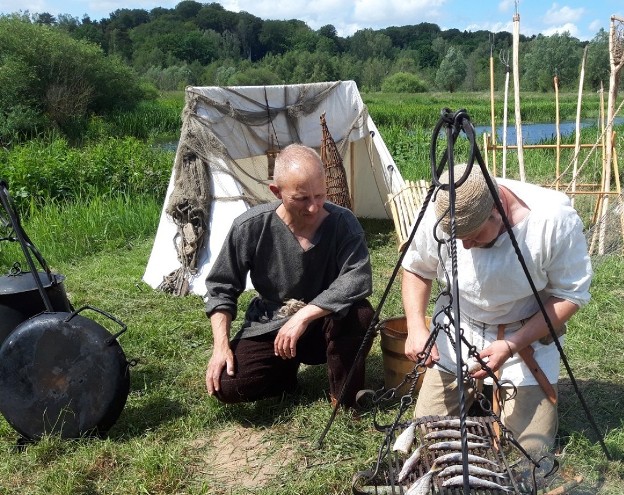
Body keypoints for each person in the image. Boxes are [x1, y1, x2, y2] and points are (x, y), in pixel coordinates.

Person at [401, 164, 592, 455]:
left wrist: (512, 345)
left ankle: (503, 395)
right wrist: (415, 327)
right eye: (458, 238)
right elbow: (416, 269)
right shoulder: (439, 207)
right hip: (460, 324)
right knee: (429, 433)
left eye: (475, 236)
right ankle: (477, 397)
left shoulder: (552, 219)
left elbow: (570, 294)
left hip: (524, 331)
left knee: (529, 449)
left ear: (498, 208)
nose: (465, 246)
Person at [204, 144, 374, 409]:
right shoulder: (250, 226)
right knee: (228, 385)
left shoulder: (343, 223)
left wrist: (304, 316)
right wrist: (220, 347)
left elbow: (357, 277)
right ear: (277, 192)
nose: (313, 207)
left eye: (319, 195)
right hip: (274, 322)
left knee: (360, 313)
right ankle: (283, 373)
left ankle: (344, 395)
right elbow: (221, 287)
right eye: (302, 199)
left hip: (325, 323)